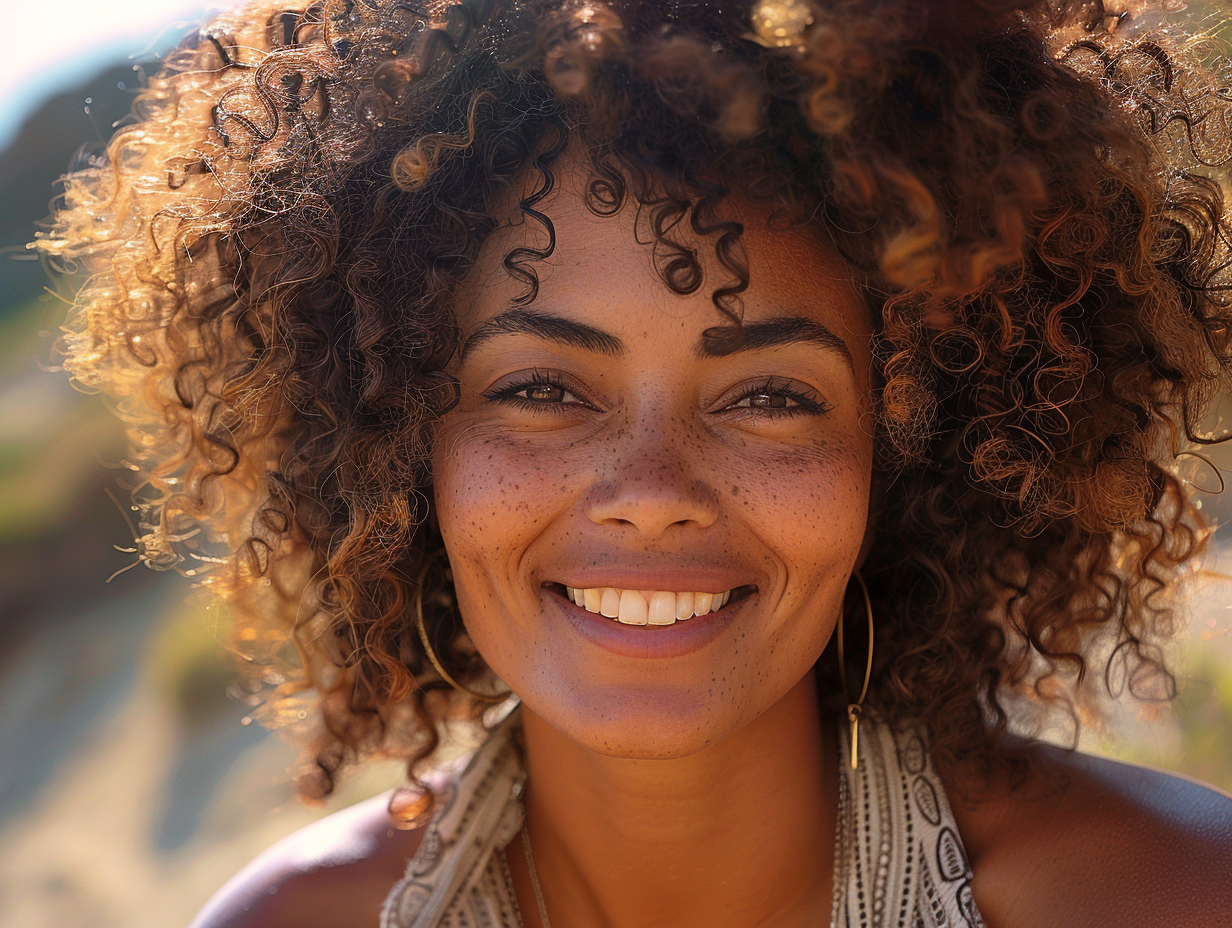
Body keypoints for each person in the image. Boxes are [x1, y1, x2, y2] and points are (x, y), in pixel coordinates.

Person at [33, 0, 1232, 925]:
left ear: (905, 456)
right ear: (403, 451)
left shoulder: (1165, 898)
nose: (653, 489)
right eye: (541, 389)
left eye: (769, 395)